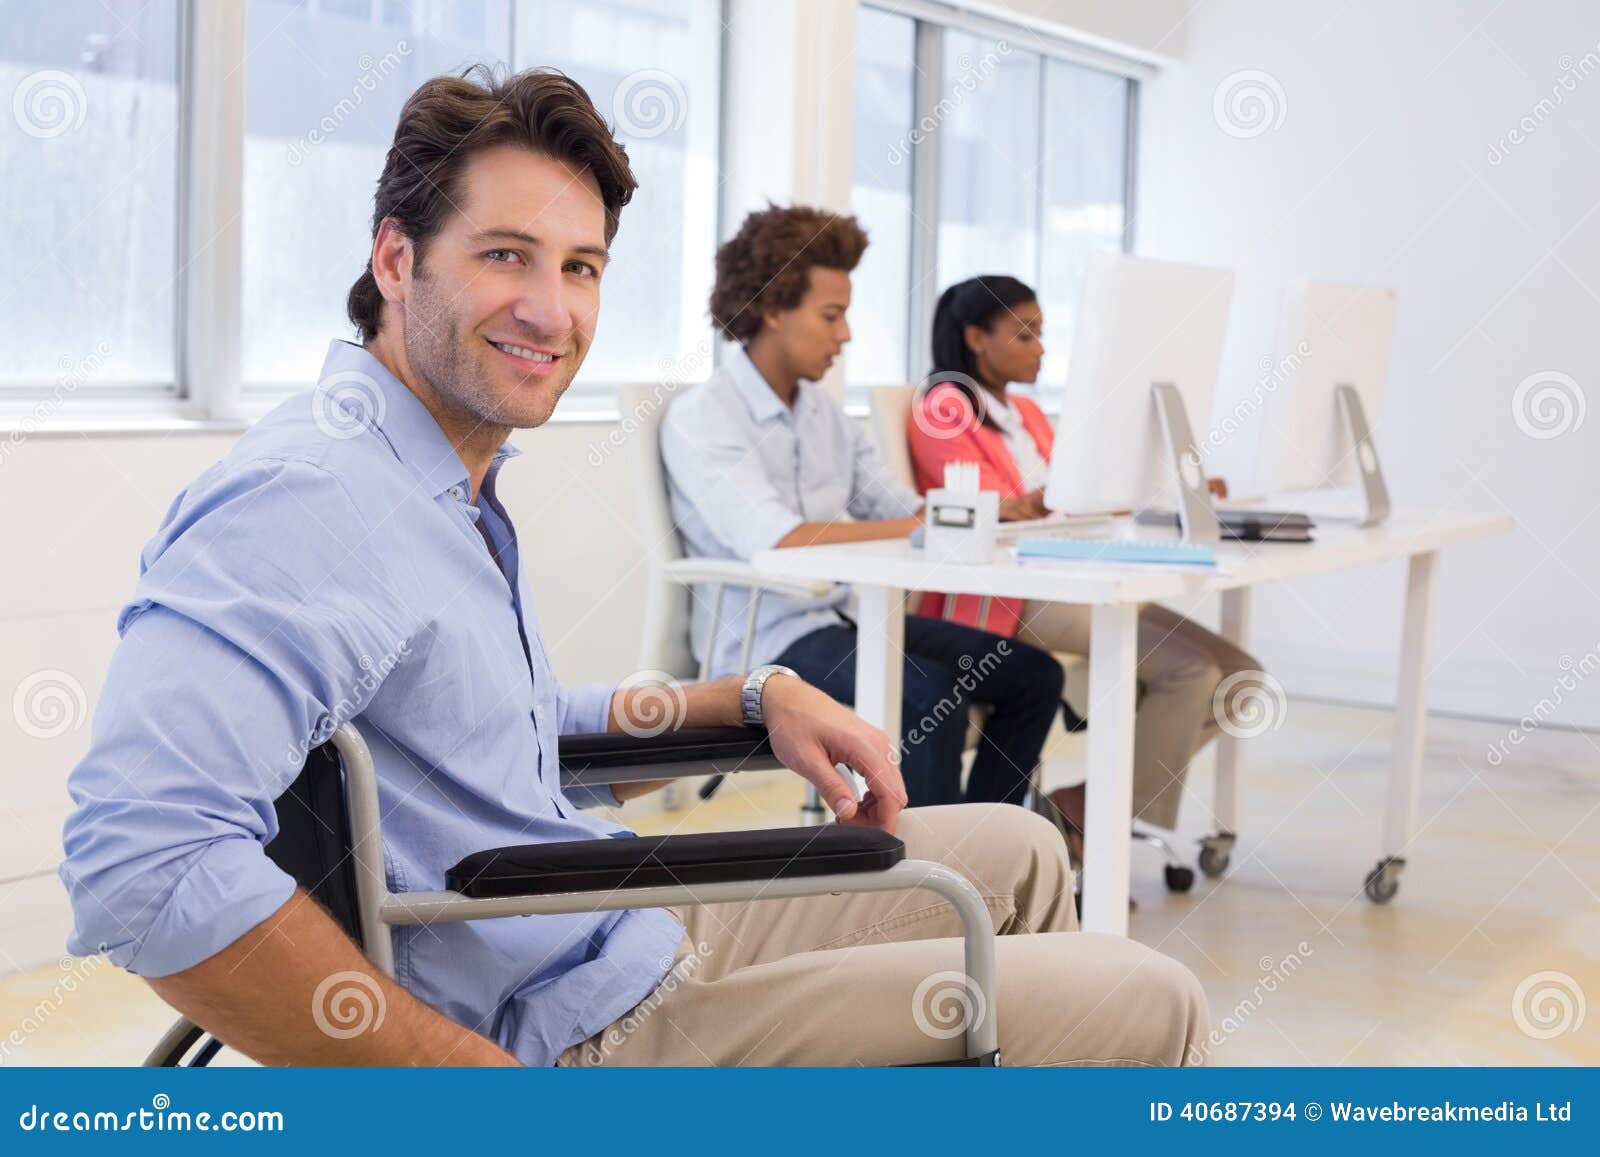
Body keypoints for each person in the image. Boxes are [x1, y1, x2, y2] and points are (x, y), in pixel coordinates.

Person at [58, 70, 1208, 1068]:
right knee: (1153, 1000)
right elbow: (142, 855)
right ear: (396, 258)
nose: (551, 309)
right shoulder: (316, 495)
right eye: (505, 254)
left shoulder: (434, 482)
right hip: (574, 1023)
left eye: (582, 266)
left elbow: (489, 740)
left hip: (613, 916)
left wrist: (749, 697)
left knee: (1008, 848)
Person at [660, 206, 1066, 809]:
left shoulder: (826, 415)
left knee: (1035, 676)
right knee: (930, 693)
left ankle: (985, 848)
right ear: (773, 310)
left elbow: (900, 504)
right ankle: (931, 881)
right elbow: (781, 541)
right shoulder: (704, 417)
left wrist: (992, 511)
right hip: (769, 643)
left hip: (849, 616)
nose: (845, 335)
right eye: (832, 316)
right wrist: (923, 524)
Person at [908, 275, 1264, 861]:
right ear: (975, 338)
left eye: (1041, 333)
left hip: (1074, 578)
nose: (1040, 348)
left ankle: (1084, 808)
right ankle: (1093, 826)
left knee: (1241, 679)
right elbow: (991, 510)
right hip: (1013, 595)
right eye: (1024, 334)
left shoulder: (1026, 412)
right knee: (1193, 672)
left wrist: (1173, 491)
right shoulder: (943, 409)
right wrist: (1035, 504)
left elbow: (1080, 495)